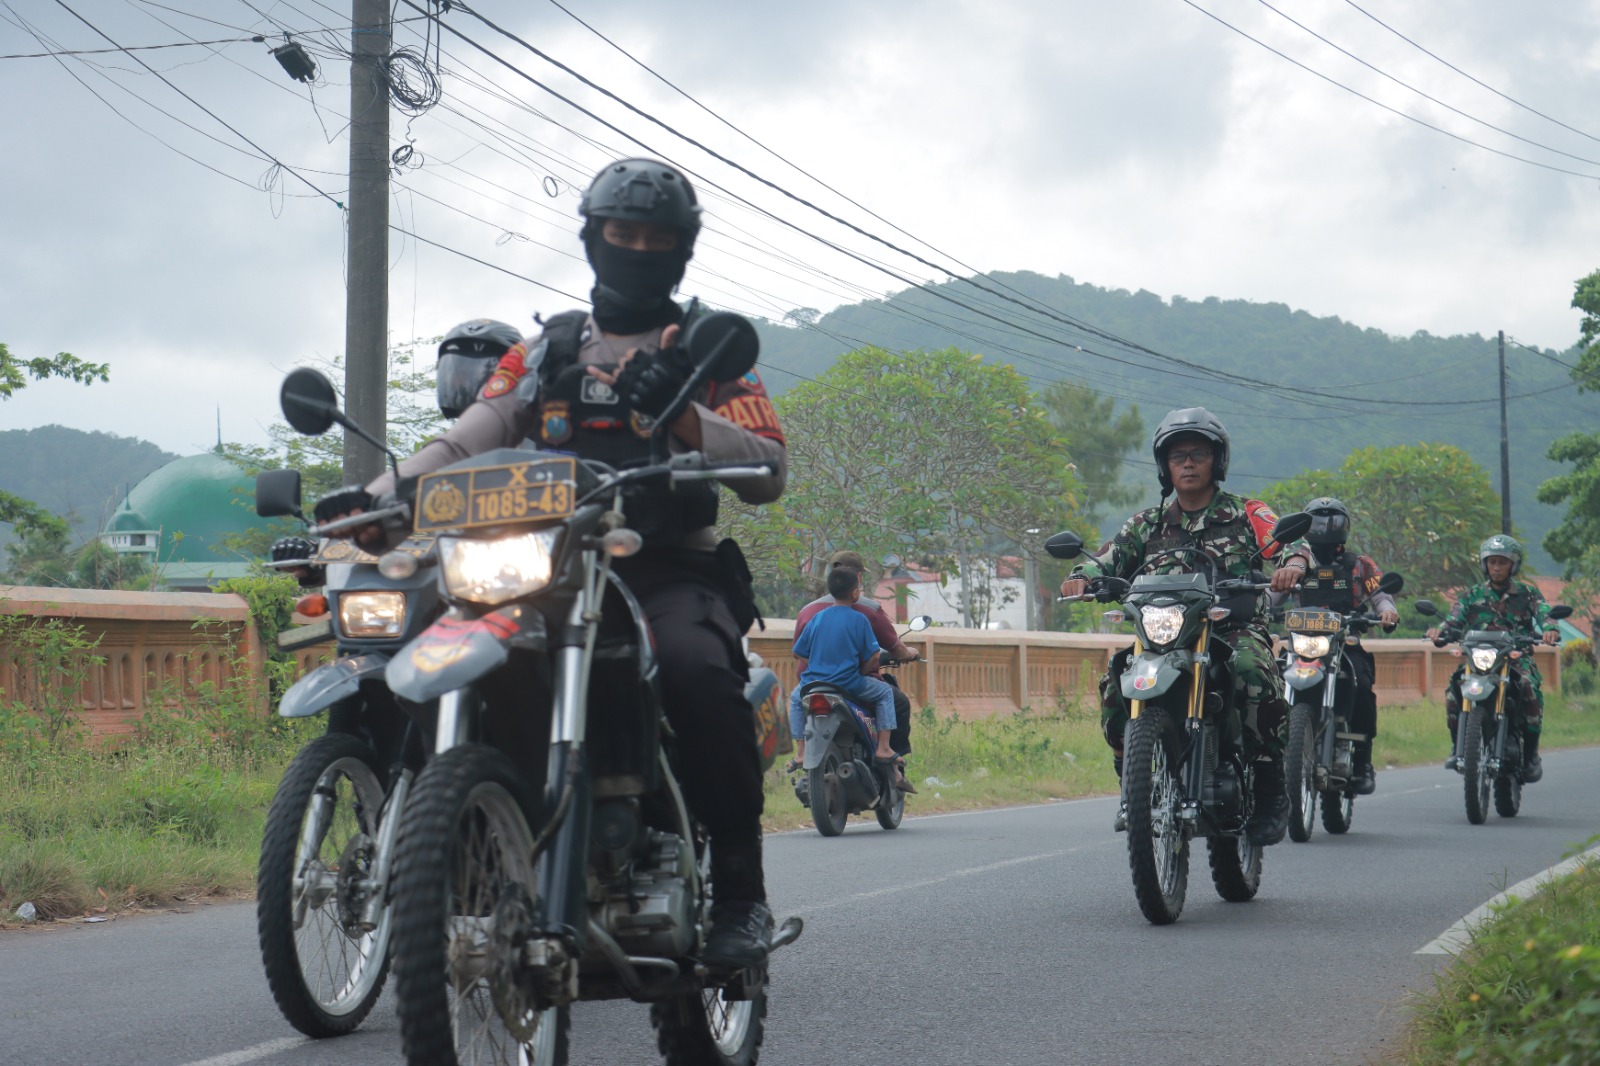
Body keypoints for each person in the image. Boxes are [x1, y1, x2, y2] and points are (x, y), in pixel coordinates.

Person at [317, 158, 787, 969]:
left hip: (664, 567)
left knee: (698, 673)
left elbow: (769, 468)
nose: (638, 249)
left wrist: (679, 417)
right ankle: (463, 841)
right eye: (622, 233)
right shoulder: (548, 349)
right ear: (594, 239)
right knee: (449, 651)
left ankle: (741, 892)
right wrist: (377, 494)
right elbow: (475, 430)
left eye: (656, 238)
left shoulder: (711, 353)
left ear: (681, 250)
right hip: (545, 564)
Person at [1059, 407, 1311, 845]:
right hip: (1163, 635)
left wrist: (1293, 563)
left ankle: (1271, 790)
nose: (1188, 463)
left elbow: (1291, 543)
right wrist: (1083, 575)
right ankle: (1134, 783)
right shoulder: (1147, 523)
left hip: (1230, 628)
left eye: (1198, 453)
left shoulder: (1246, 512)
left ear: (1217, 460)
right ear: (1165, 466)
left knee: (1253, 673)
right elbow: (1108, 557)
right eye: (1178, 456)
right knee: (1113, 685)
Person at [1429, 534, 1558, 782]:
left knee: (1529, 687)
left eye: (1502, 562)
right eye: (1492, 562)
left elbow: (1544, 614)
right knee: (1452, 692)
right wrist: (1439, 633)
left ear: (1514, 565)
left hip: (1515, 658)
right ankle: (1458, 747)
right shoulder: (1471, 594)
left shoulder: (1528, 593)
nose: (1496, 568)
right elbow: (1452, 620)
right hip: (1478, 660)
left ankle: (1531, 754)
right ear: (1484, 564)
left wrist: (1550, 629)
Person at [1292, 497, 1398, 795]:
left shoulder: (1359, 565)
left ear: (1344, 527)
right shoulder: (1296, 563)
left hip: (1345, 643)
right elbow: (1274, 594)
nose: (1326, 528)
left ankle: (1363, 761)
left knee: (1362, 685)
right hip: (1303, 645)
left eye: (1332, 522)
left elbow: (1379, 594)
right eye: (1318, 522)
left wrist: (1387, 611)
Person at [787, 550, 921, 765]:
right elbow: (879, 652)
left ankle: (800, 751)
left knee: (794, 700)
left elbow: (797, 651)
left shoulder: (811, 613)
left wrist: (817, 665)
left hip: (812, 683)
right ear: (857, 583)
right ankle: (885, 750)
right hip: (849, 683)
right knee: (889, 695)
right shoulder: (863, 615)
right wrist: (862, 669)